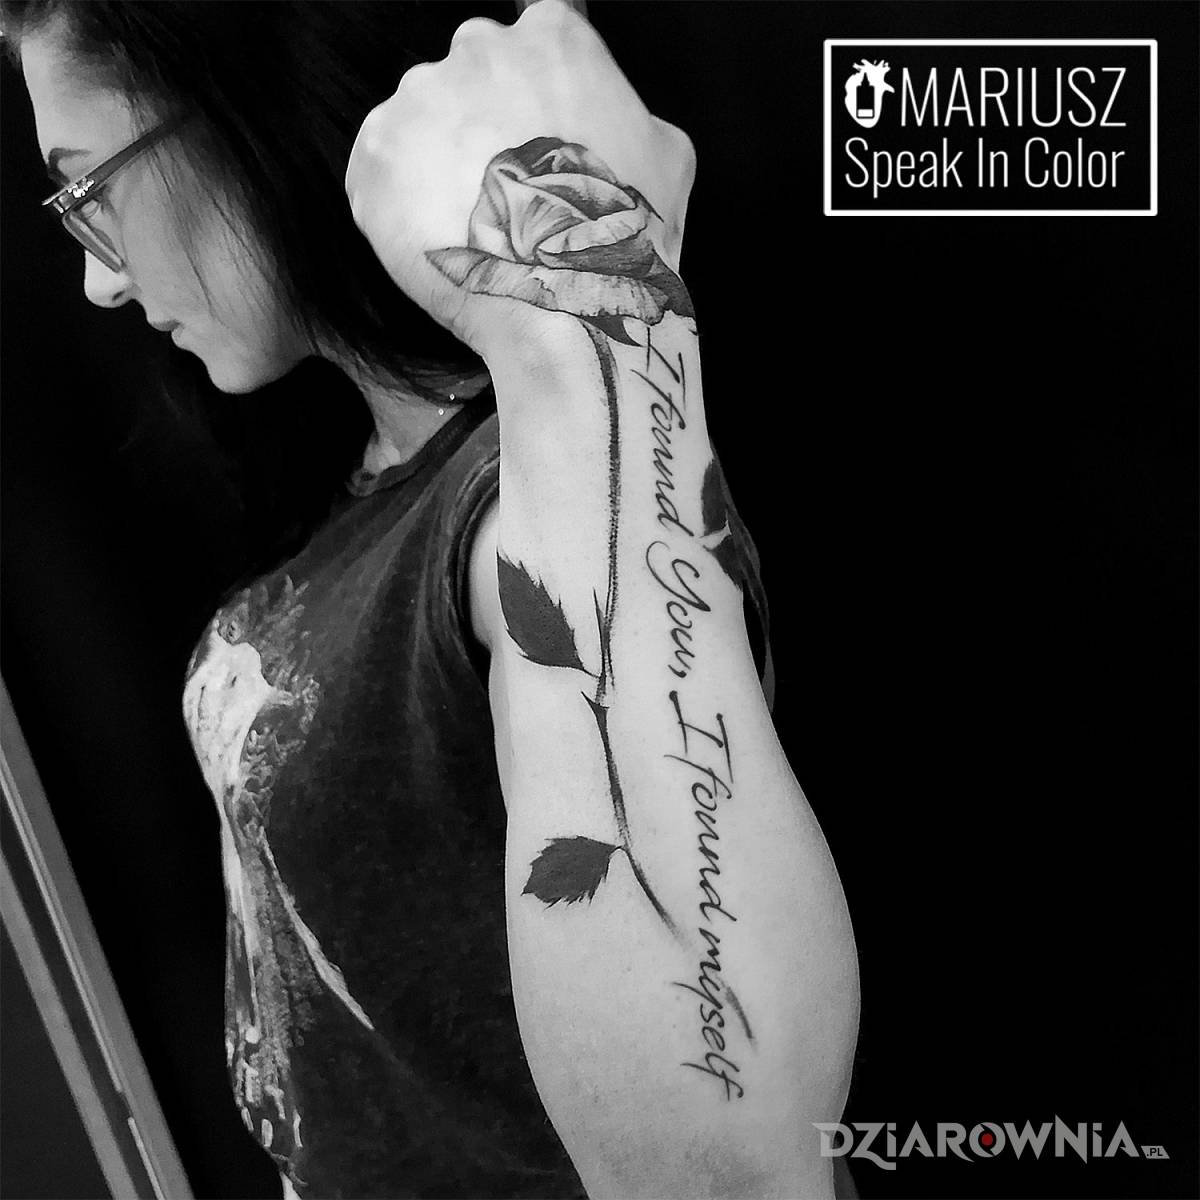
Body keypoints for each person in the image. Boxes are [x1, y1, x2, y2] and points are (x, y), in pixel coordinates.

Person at [5, 1, 861, 1196]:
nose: (100, 277)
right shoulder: (371, 476)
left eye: (91, 188)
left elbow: (725, 1166)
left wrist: (595, 319)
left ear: (248, 114)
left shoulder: (533, 500)